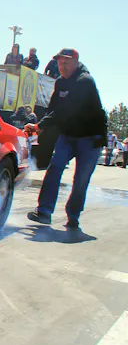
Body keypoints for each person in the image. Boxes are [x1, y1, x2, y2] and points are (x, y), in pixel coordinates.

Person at [26, 48, 108, 229]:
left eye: (67, 62)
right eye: (60, 62)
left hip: (90, 138)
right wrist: (40, 127)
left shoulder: (85, 81)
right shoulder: (60, 82)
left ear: (76, 62)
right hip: (68, 135)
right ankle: (44, 212)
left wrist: (40, 126)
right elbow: (53, 109)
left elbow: (66, 110)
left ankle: (73, 216)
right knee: (54, 168)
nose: (62, 66)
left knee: (80, 179)